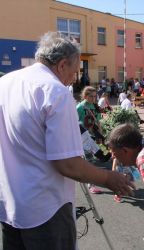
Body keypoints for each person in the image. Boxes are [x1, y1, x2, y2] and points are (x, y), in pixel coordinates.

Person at [0, 31, 134, 250]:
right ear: (62, 65)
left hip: (9, 204)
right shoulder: (55, 91)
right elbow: (68, 164)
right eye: (74, 72)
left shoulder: (5, 83)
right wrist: (109, 178)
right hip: (46, 208)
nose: (74, 79)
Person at [76, 86, 111, 194]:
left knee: (94, 158)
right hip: (84, 137)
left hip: (94, 135)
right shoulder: (80, 107)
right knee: (89, 160)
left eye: (95, 96)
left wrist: (100, 134)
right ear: (85, 96)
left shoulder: (95, 106)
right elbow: (75, 122)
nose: (93, 98)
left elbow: (98, 121)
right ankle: (91, 185)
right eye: (91, 96)